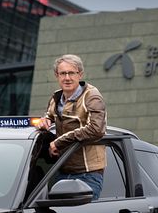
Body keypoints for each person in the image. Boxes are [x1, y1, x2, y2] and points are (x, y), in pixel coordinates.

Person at [37, 54, 107, 199]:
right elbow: (50, 116)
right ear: (57, 75)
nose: (67, 78)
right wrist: (44, 121)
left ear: (80, 74)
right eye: (63, 73)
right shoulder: (56, 98)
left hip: (87, 175)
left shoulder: (92, 97)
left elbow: (96, 130)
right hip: (60, 172)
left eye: (71, 73)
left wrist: (58, 142)